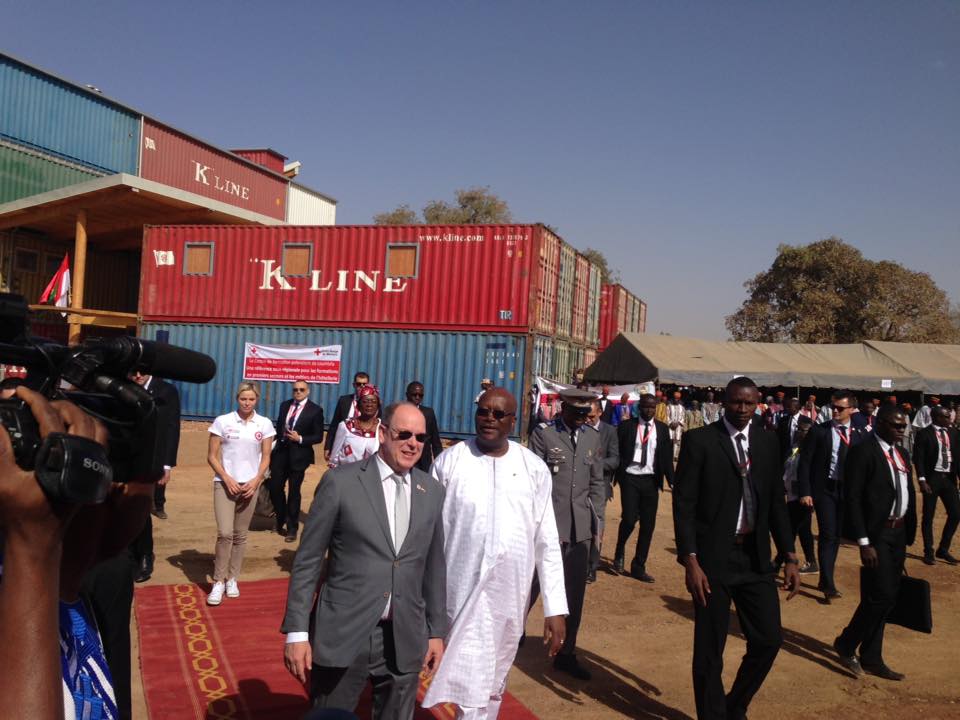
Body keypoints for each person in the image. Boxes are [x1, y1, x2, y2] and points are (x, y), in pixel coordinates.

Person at [282, 402, 447, 718]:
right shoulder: (341, 483)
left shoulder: (432, 492)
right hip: (346, 632)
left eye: (421, 438)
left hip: (405, 636)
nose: (413, 444)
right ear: (383, 434)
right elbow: (308, 559)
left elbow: (434, 567)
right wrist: (297, 631)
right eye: (405, 434)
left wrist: (436, 630)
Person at [422, 388, 567, 719]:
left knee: (493, 679)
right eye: (483, 411)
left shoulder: (533, 469)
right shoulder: (450, 462)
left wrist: (555, 608)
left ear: (513, 421)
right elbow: (429, 534)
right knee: (466, 675)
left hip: (508, 596)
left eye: (499, 414)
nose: (490, 418)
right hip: (457, 593)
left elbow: (546, 540)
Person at [672, 376, 800, 720]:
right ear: (724, 402)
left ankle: (735, 705)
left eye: (748, 403)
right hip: (713, 559)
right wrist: (691, 560)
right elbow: (683, 504)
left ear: (758, 402)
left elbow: (776, 501)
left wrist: (789, 555)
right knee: (710, 650)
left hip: (755, 558)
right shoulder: (700, 441)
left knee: (769, 639)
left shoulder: (767, 442)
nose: (742, 409)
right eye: (735, 403)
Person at [0, 387, 113, 719]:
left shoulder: (49, 594)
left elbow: (73, 572)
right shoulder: (29, 563)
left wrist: (85, 476)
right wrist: (32, 544)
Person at [833, 404, 917, 681]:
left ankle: (872, 656)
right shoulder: (863, 452)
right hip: (876, 535)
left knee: (886, 596)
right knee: (881, 596)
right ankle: (846, 642)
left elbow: (906, 491)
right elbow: (853, 498)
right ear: (879, 423)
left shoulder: (902, 453)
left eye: (903, 426)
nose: (901, 430)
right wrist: (864, 541)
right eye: (896, 425)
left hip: (898, 532)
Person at [529, 389, 605, 680]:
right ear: (563, 408)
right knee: (530, 586)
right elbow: (534, 480)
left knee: (574, 595)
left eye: (585, 413)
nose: (580, 418)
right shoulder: (544, 434)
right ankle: (512, 637)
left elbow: (597, 483)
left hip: (579, 529)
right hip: (548, 527)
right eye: (575, 412)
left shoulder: (592, 437)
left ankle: (567, 652)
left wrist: (596, 522)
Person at [206, 381, 275, 606]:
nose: (247, 403)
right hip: (225, 484)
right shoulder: (223, 421)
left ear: (257, 400)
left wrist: (256, 481)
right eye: (243, 399)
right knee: (225, 533)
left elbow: (265, 457)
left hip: (250, 486)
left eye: (251, 399)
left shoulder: (264, 424)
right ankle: (218, 581)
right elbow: (212, 456)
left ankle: (232, 578)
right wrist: (227, 478)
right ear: (237, 399)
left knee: (240, 535)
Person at [797, 389, 866, 601]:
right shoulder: (820, 431)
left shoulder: (862, 433)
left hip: (848, 491)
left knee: (836, 536)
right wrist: (805, 492)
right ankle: (828, 583)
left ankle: (824, 577)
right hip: (824, 489)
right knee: (828, 534)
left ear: (852, 410)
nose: (835, 411)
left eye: (840, 408)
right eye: (833, 407)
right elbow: (805, 462)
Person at [613, 393, 674, 582]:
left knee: (648, 525)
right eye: (646, 407)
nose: (649, 410)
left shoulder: (663, 430)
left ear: (656, 408)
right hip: (630, 478)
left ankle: (638, 566)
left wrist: (672, 481)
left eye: (652, 407)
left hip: (650, 481)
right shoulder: (626, 427)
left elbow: (666, 458)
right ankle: (620, 549)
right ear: (640, 408)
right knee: (630, 519)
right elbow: (617, 453)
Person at [128, 368, 181, 582]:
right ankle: (126, 555)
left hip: (151, 460)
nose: (138, 375)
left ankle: (144, 555)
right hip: (124, 457)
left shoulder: (166, 391)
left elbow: (171, 428)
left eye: (142, 371)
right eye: (133, 371)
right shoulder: (123, 386)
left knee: (141, 508)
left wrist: (166, 464)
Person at [270, 380, 325, 543]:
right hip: (281, 453)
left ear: (308, 391)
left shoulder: (315, 410)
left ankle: (292, 527)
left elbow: (318, 436)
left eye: (301, 390)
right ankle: (281, 517)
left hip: (299, 456)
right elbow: (279, 427)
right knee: (275, 488)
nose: (298, 392)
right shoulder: (284, 405)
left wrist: (300, 438)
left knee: (294, 491)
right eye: (295, 390)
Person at [913, 405, 959, 565]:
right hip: (932, 479)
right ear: (937, 417)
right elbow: (918, 458)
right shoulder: (924, 434)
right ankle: (928, 551)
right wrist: (922, 479)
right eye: (946, 417)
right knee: (929, 516)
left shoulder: (953, 433)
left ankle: (943, 549)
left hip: (949, 479)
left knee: (956, 514)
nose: (949, 419)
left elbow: (957, 456)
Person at [776, 416, 818, 575]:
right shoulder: (793, 448)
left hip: (803, 496)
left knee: (791, 528)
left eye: (803, 430)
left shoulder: (812, 450)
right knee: (803, 529)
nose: (798, 432)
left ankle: (781, 559)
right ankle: (810, 561)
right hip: (791, 493)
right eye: (798, 429)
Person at [586, 398, 619, 583]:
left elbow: (615, 460)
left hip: (600, 486)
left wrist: (594, 465)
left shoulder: (610, 431)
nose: (588, 419)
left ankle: (592, 566)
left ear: (599, 412)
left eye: (591, 416)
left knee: (596, 528)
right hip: (579, 487)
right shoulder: (580, 428)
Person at [324, 371, 373, 461]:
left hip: (363, 447)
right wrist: (328, 446)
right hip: (343, 445)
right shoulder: (344, 401)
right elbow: (334, 424)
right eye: (359, 384)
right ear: (354, 385)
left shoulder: (373, 404)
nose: (361, 387)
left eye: (364, 384)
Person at [328, 385, 382, 467]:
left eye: (373, 401)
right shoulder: (345, 426)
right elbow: (334, 458)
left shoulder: (383, 429)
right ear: (358, 405)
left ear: (378, 406)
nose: (369, 405)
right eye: (365, 401)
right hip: (346, 475)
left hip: (372, 476)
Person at [405, 381, 443, 473]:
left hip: (424, 463)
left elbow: (435, 441)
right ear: (407, 394)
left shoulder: (428, 413)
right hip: (405, 458)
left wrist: (440, 463)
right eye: (414, 394)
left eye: (420, 395)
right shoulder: (399, 411)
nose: (417, 397)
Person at [775, 397, 802, 462]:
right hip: (785, 452)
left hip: (799, 452)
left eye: (789, 407)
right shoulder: (783, 420)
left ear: (796, 408)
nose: (787, 408)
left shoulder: (806, 420)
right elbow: (778, 436)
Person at [666, 391, 686, 461]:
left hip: (678, 427)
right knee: (670, 441)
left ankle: (675, 456)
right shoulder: (668, 406)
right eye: (675, 398)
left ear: (679, 399)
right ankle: (668, 455)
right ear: (673, 398)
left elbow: (683, 417)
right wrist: (671, 423)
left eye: (677, 399)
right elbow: (667, 416)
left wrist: (678, 423)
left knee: (677, 442)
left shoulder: (682, 408)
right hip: (670, 427)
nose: (676, 400)